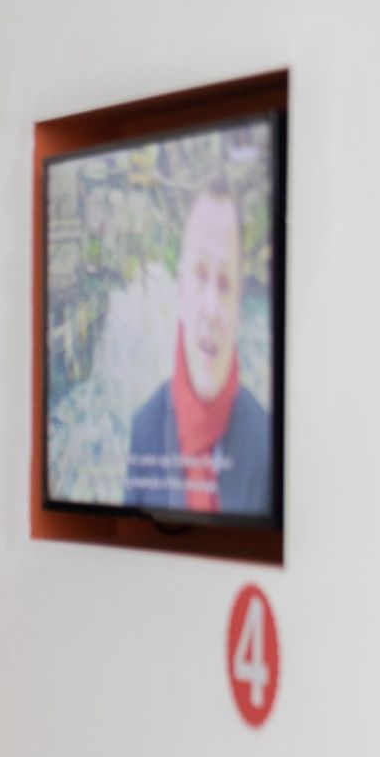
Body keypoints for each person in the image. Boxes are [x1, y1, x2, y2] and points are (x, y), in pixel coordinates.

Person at [122, 182, 274, 516]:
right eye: (200, 275)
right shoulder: (145, 429)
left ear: (238, 309)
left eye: (224, 284)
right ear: (180, 294)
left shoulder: (267, 442)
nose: (211, 308)